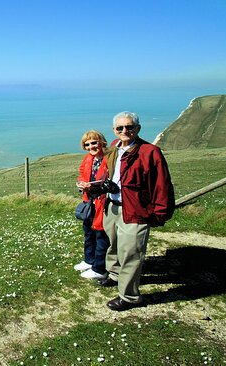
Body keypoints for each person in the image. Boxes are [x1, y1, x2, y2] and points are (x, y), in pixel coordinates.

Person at [98, 111, 175, 311]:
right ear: (114, 130)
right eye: (120, 128)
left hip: (136, 210)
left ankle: (129, 296)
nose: (125, 131)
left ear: (137, 129)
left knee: (131, 252)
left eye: (129, 127)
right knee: (113, 244)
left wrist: (160, 212)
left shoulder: (150, 152)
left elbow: (162, 185)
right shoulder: (115, 147)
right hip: (113, 205)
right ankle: (114, 274)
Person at [74, 130, 111, 280]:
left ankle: (99, 268)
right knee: (88, 232)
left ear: (101, 142)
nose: (91, 147)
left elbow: (110, 181)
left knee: (101, 234)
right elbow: (82, 173)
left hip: (103, 202)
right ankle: (89, 260)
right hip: (89, 201)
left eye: (94, 142)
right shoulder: (89, 158)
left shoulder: (109, 159)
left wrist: (93, 186)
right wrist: (81, 183)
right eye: (87, 144)